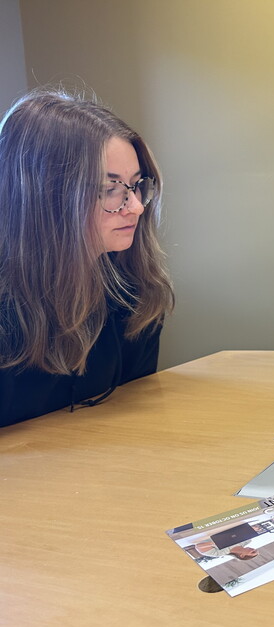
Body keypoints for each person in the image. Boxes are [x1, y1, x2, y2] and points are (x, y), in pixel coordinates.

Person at [0, 89, 174, 427]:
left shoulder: (134, 289)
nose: (136, 206)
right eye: (109, 190)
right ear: (43, 197)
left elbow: (129, 415)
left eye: (136, 185)